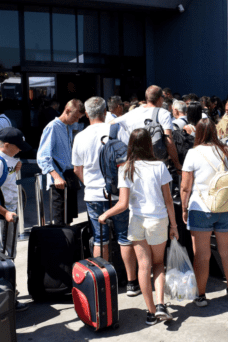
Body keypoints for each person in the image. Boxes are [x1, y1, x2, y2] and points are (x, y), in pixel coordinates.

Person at [98, 128, 178, 325]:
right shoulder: (159, 166)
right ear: (149, 145)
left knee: (143, 265)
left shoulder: (125, 168)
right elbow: (169, 201)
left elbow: (123, 204)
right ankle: (160, 304)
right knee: (158, 264)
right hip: (158, 220)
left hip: (137, 222)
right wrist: (174, 225)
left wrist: (106, 213)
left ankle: (151, 313)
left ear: (131, 145)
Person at [71, 97, 140, 297]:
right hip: (118, 193)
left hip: (92, 194)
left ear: (86, 113)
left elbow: (77, 169)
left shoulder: (80, 137)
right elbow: (128, 161)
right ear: (105, 112)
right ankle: (131, 283)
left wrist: (89, 184)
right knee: (124, 236)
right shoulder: (117, 131)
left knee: (100, 239)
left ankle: (103, 284)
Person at [181, 119, 228, 307]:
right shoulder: (226, 150)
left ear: (198, 133)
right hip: (225, 206)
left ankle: (201, 295)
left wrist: (184, 208)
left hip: (200, 207)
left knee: (202, 255)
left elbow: (185, 186)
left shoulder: (193, 153)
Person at [0, 127, 30, 311]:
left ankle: (7, 297)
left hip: (6, 216)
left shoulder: (8, 159)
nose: (20, 150)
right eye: (18, 146)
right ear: (6, 145)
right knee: (2, 259)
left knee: (7, 257)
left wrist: (15, 169)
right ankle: (5, 301)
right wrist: (5, 212)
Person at [37, 99, 85, 225]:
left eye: (79, 118)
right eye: (75, 117)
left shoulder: (67, 127)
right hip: (59, 180)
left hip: (68, 177)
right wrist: (56, 176)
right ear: (67, 111)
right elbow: (42, 156)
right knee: (60, 220)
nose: (76, 120)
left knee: (68, 219)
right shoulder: (52, 127)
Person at [114, 86, 182, 172]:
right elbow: (169, 140)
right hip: (156, 162)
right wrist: (177, 164)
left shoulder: (133, 112)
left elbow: (111, 123)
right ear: (160, 98)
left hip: (135, 163)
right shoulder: (163, 113)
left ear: (146, 98)